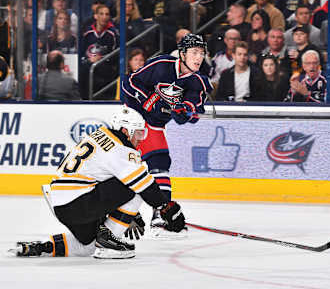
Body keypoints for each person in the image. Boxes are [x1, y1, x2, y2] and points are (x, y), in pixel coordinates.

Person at [12, 106, 186, 259]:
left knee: (87, 245)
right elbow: (144, 185)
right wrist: (167, 208)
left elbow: (106, 178)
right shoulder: (121, 148)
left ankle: (42, 247)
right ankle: (108, 238)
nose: (141, 139)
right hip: (80, 202)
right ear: (125, 131)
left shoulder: (99, 135)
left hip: (62, 205)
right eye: (138, 133)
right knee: (140, 181)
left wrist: (133, 214)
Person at [121, 33, 213, 236]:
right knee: (142, 164)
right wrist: (147, 101)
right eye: (194, 52)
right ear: (182, 54)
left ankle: (159, 214)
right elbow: (129, 83)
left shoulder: (198, 81)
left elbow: (191, 111)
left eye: (202, 53)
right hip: (133, 118)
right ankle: (128, 213)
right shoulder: (162, 64)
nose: (199, 57)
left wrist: (184, 112)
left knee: (158, 164)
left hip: (154, 124)